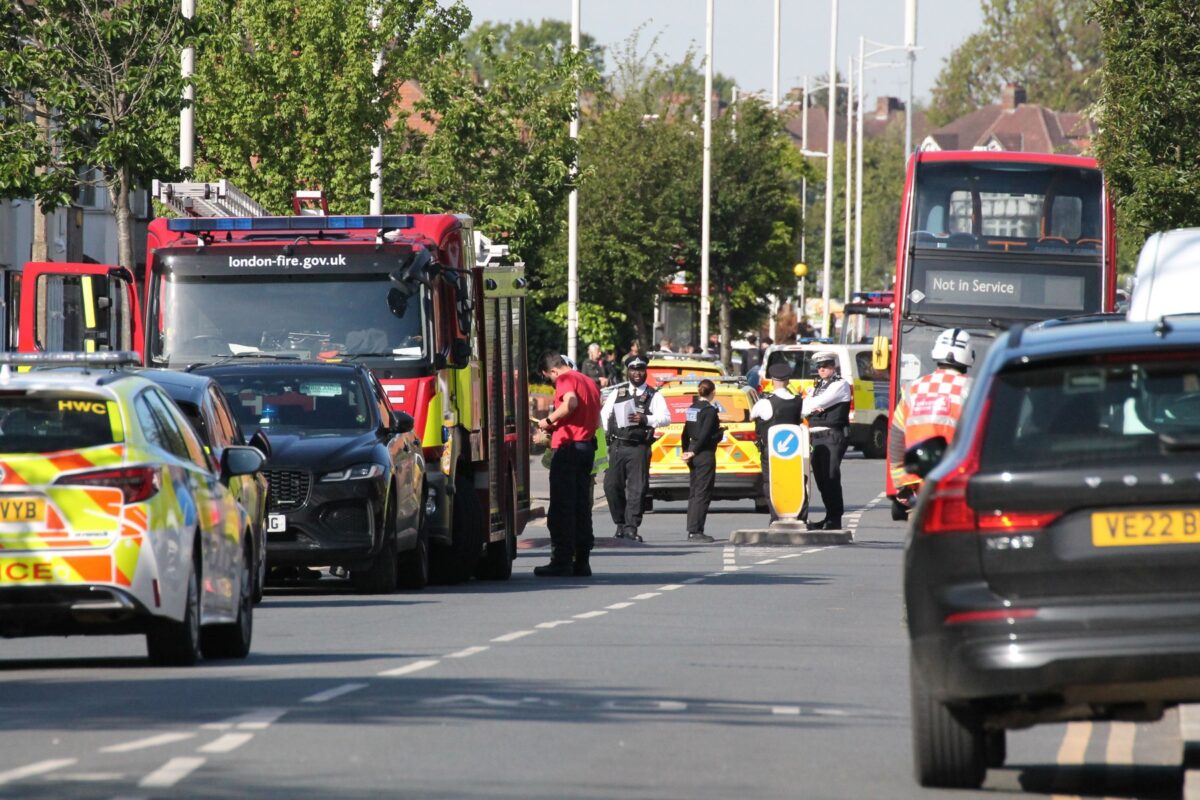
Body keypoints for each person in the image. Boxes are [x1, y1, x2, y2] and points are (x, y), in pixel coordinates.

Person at [887, 329, 975, 509]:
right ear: (970, 356)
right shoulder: (974, 389)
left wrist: (901, 485)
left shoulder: (913, 388)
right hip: (960, 486)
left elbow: (896, 439)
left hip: (922, 488)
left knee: (921, 534)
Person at [535, 351, 602, 577]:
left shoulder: (566, 379)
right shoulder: (589, 382)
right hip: (585, 447)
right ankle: (582, 561)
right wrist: (556, 427)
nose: (552, 383)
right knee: (581, 507)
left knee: (562, 508)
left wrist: (548, 420)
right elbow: (586, 414)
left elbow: (570, 403)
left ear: (554, 370)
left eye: (549, 378)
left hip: (568, 449)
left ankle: (561, 561)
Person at [600, 355, 670, 542]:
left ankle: (631, 527)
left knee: (637, 489)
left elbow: (665, 418)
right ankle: (620, 523)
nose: (637, 373)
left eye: (640, 370)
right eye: (633, 370)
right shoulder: (618, 392)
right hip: (617, 445)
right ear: (628, 371)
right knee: (611, 486)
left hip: (639, 447)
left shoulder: (654, 395)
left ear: (645, 372)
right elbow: (604, 416)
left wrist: (645, 419)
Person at [803, 351, 853, 530]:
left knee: (831, 477)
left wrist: (812, 404)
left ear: (834, 366)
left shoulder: (840, 384)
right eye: (819, 366)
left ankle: (835, 519)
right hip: (816, 436)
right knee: (821, 479)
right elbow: (805, 406)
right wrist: (811, 404)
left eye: (825, 366)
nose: (821, 369)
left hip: (832, 435)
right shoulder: (818, 386)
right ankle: (829, 516)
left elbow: (809, 405)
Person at [750, 361, 804, 518]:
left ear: (772, 381)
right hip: (794, 450)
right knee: (794, 481)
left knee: (771, 482)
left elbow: (752, 416)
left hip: (771, 450)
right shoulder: (797, 400)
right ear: (788, 381)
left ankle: (776, 515)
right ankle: (795, 514)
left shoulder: (765, 402)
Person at [680, 379, 723, 543]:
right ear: (712, 393)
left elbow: (685, 432)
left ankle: (692, 529)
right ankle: (696, 531)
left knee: (694, 492)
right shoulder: (710, 410)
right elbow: (705, 434)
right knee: (703, 493)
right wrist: (718, 435)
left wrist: (687, 451)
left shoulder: (693, 408)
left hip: (692, 450)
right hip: (704, 453)